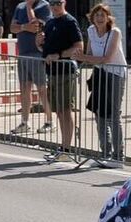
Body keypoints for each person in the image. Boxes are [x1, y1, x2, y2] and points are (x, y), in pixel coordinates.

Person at [79, 2, 126, 167]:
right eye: (96, 15)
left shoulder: (115, 32)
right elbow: (91, 54)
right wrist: (80, 57)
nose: (99, 18)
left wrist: (83, 57)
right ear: (92, 18)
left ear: (108, 18)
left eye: (102, 15)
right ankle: (105, 153)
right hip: (100, 73)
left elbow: (107, 58)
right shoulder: (91, 31)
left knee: (113, 114)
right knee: (99, 114)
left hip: (115, 74)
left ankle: (118, 156)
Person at [37, 0, 82, 161]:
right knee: (59, 111)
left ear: (64, 3)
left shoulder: (69, 21)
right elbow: (46, 50)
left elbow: (79, 46)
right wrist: (39, 44)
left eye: (58, 2)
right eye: (52, 3)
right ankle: (64, 147)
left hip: (65, 71)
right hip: (52, 73)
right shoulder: (50, 22)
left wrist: (60, 55)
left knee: (65, 110)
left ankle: (67, 149)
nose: (55, 6)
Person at [10, 0, 52, 134]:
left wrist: (29, 7)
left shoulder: (44, 5)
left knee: (42, 89)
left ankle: (50, 121)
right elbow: (12, 28)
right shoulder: (19, 6)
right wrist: (23, 27)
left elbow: (36, 26)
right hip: (23, 53)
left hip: (37, 53)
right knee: (24, 89)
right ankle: (24, 122)